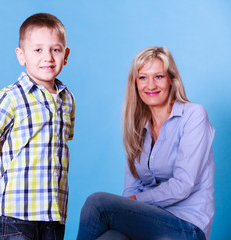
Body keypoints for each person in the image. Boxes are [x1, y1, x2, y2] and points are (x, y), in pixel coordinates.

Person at [77, 46, 215, 240]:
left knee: (97, 203)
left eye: (158, 76)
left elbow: (183, 185)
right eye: (143, 77)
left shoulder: (193, 115)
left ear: (171, 81)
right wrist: (132, 203)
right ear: (135, 84)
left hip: (186, 226)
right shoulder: (137, 127)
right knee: (110, 238)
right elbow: (132, 188)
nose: (150, 85)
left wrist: (135, 202)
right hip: (147, 221)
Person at [0, 13, 75, 240]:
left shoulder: (67, 99)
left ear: (66, 55)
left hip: (53, 218)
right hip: (16, 217)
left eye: (55, 50)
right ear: (21, 55)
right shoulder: (10, 97)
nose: (47, 57)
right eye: (37, 50)